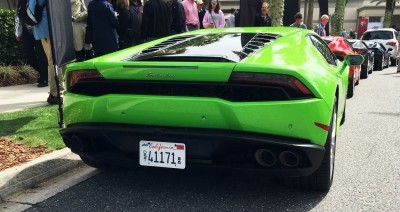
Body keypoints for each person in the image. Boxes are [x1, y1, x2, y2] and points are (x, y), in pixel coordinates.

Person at [28, 0, 64, 104]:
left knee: (54, 60)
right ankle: (55, 93)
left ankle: (56, 92)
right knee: (53, 60)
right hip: (49, 29)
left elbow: (31, 9)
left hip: (47, 29)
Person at [15, 0, 48, 87]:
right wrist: (17, 32)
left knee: (42, 54)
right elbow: (18, 14)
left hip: (38, 27)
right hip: (26, 30)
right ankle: (43, 72)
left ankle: (44, 78)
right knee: (29, 55)